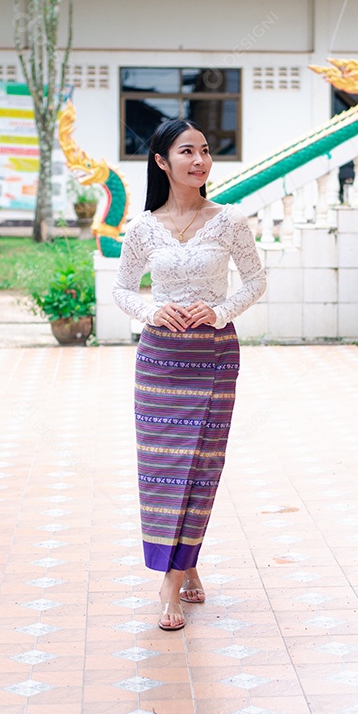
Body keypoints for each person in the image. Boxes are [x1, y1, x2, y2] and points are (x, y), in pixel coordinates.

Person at [112, 119, 266, 631]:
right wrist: (152, 311)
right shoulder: (143, 228)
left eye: (204, 151)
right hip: (159, 361)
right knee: (161, 469)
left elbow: (256, 280)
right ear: (162, 161)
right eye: (187, 152)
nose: (200, 161)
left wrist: (219, 312)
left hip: (213, 356)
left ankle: (171, 580)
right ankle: (186, 563)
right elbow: (123, 290)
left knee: (200, 466)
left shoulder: (229, 220)